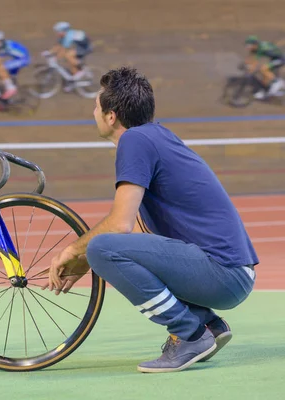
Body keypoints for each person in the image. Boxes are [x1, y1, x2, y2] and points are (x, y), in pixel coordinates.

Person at [45, 66, 258, 373]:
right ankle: (207, 324)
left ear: (111, 116)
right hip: (229, 273)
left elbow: (120, 226)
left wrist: (74, 251)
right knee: (103, 249)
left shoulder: (135, 141)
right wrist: (87, 258)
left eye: (95, 106)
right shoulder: (155, 136)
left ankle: (190, 335)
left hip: (223, 275)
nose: (92, 112)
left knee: (102, 247)